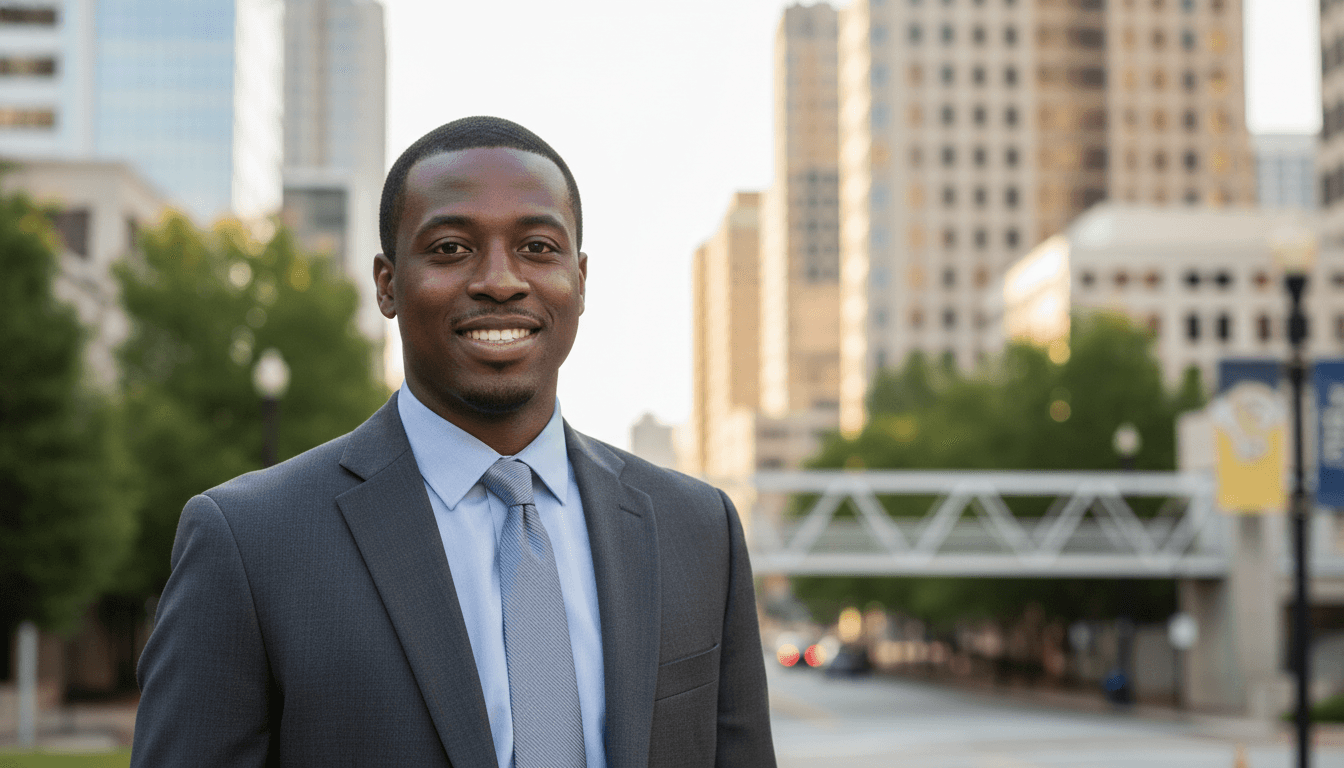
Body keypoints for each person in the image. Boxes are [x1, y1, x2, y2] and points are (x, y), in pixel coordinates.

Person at [130, 116, 777, 768]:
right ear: (387, 283)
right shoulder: (250, 541)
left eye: (538, 247)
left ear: (580, 280)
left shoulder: (698, 528)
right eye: (450, 248)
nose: (500, 280)